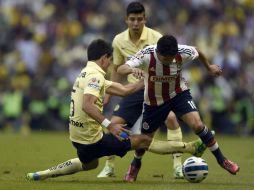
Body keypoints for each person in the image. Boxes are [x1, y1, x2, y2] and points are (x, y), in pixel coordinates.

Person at [26, 39, 207, 181]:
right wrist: (110, 125)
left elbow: (125, 90)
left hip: (77, 137)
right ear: (104, 58)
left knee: (89, 164)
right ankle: (190, 148)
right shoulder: (95, 76)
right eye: (110, 60)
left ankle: (43, 173)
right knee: (143, 140)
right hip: (93, 140)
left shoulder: (85, 73)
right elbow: (87, 105)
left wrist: (148, 78)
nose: (110, 65)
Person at [117, 35, 240, 182]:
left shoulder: (182, 52)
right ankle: (135, 164)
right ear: (159, 53)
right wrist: (132, 70)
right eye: (166, 59)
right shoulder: (147, 54)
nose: (169, 61)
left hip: (178, 94)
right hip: (154, 101)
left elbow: (198, 51)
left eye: (172, 58)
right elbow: (121, 69)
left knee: (197, 124)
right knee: (145, 139)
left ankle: (222, 160)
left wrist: (209, 67)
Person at [97, 1, 185, 179]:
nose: (136, 23)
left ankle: (178, 166)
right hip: (133, 90)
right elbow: (116, 68)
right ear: (126, 20)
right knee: (113, 124)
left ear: (145, 19)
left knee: (171, 119)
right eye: (132, 19)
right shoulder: (118, 40)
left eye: (139, 19)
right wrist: (109, 91)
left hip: (154, 89)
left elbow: (168, 65)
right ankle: (109, 166)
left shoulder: (156, 38)